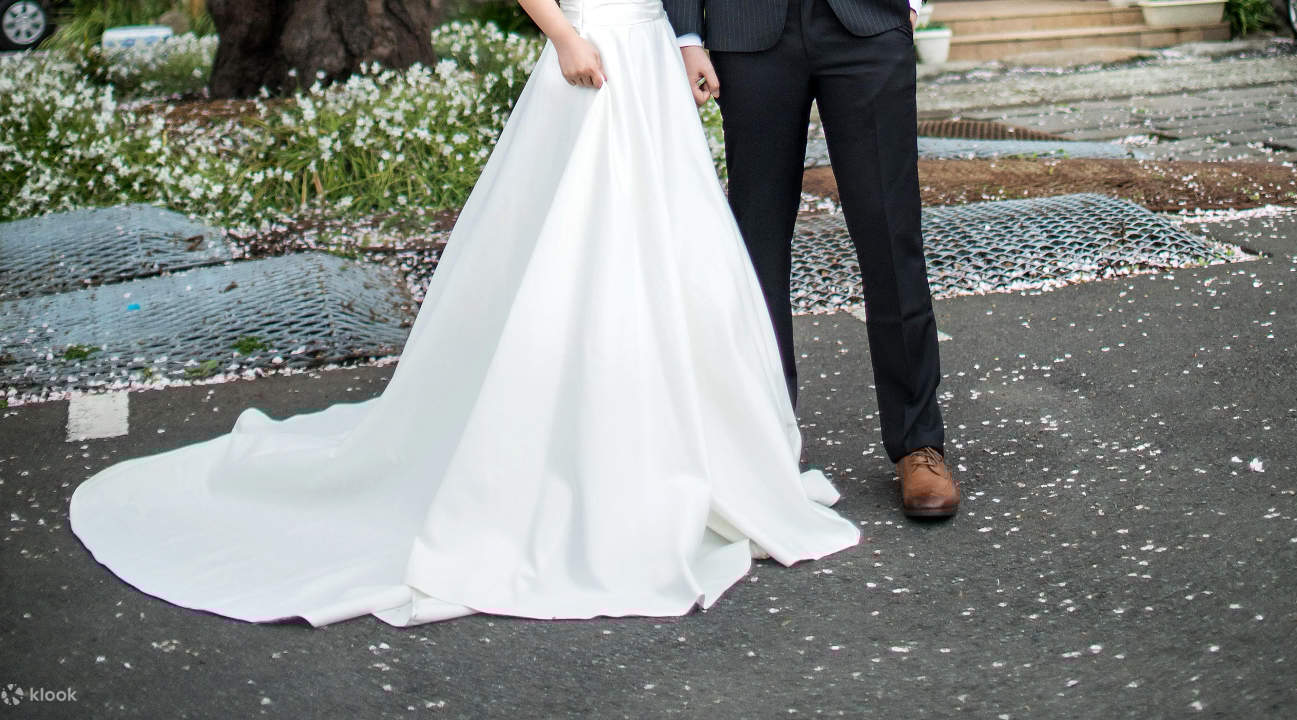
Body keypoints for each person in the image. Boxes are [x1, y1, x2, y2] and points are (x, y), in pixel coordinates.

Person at [68, 0, 859, 628]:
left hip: (650, 58)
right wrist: (562, 33)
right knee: (574, 253)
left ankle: (686, 445)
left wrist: (686, 44)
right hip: (590, 55)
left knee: (672, 257)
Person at [662, 0, 961, 518]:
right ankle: (765, 443)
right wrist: (686, 35)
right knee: (755, 248)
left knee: (891, 237)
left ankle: (918, 444)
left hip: (868, 24)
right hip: (749, 30)